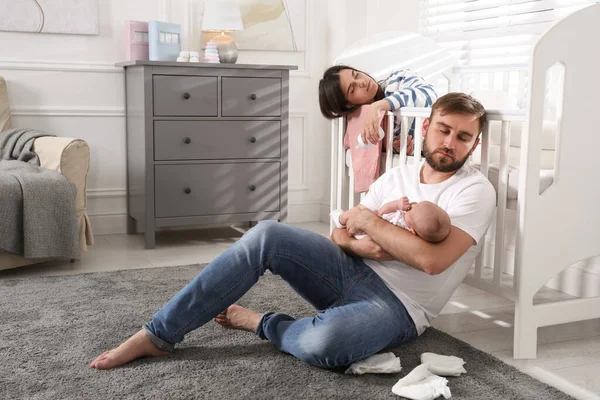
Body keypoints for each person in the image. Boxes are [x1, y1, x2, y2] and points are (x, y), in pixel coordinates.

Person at [90, 92, 496, 371]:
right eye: (443, 129)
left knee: (327, 345)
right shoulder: (399, 176)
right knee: (267, 233)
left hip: (400, 307)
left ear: (473, 145)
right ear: (426, 127)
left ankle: (261, 323)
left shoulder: (475, 191)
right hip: (349, 269)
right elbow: (340, 234)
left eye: (463, 137)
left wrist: (370, 225)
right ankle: (157, 335)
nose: (449, 143)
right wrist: (366, 247)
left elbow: (431, 260)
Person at [319, 65, 438, 154]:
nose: (362, 82)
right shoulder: (366, 124)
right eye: (352, 89)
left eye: (356, 75)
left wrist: (379, 106)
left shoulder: (398, 80)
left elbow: (430, 95)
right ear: (349, 104)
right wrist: (403, 149)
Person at [332, 196, 452, 243]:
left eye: (411, 209)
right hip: (369, 235)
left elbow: (382, 211)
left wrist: (397, 205)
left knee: (354, 213)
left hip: (367, 227)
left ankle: (339, 219)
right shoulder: (411, 232)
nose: (413, 204)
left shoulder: (398, 217)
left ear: (412, 229)